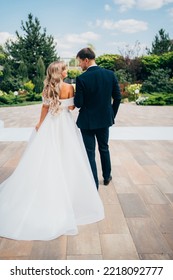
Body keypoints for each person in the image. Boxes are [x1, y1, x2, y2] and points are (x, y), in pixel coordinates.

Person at [0, 61, 104, 241]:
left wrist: (40, 123)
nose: (66, 70)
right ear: (60, 72)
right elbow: (72, 107)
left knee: (47, 156)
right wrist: (66, 104)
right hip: (65, 124)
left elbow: (45, 107)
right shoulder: (70, 87)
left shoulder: (47, 88)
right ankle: (68, 191)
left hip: (50, 124)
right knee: (69, 156)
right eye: (65, 69)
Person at [74, 48, 121, 189]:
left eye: (80, 62)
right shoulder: (110, 75)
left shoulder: (82, 78)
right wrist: (111, 114)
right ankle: (107, 177)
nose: (80, 65)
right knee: (104, 148)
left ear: (86, 60)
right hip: (104, 120)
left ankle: (94, 184)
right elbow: (118, 97)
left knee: (90, 152)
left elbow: (78, 104)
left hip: (87, 122)